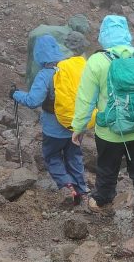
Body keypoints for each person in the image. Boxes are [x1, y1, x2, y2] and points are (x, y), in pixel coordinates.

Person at [71, 15, 134, 234]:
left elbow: (86, 99)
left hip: (110, 131)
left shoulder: (97, 61)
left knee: (107, 168)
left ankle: (102, 202)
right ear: (127, 34)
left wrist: (78, 127)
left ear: (103, 35)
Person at [11, 35, 88, 205]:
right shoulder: (71, 69)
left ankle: (68, 186)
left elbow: (33, 101)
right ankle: (82, 190)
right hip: (76, 124)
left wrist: (15, 95)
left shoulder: (44, 75)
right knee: (74, 156)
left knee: (52, 156)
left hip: (53, 129)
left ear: (38, 54)